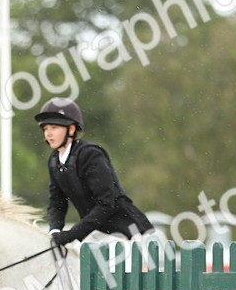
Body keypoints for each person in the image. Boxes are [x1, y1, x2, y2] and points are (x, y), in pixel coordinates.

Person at [35, 97, 156, 249]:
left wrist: (72, 234)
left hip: (128, 232)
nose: (48, 133)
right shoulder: (54, 161)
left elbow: (106, 204)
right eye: (45, 128)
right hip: (98, 232)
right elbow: (57, 203)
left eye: (54, 127)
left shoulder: (90, 155)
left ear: (71, 129)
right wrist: (54, 230)